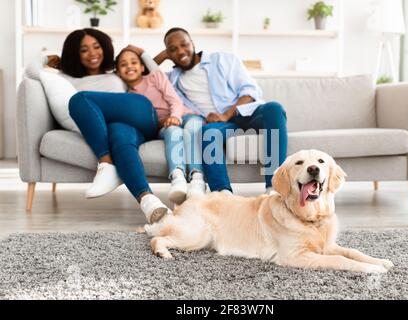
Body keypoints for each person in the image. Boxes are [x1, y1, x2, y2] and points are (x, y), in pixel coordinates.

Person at [25, 28, 170, 224]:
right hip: (120, 129)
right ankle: (149, 202)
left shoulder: (117, 73)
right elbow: (32, 73)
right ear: (74, 54)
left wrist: (144, 53)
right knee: (119, 136)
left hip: (141, 113)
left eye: (96, 47)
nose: (93, 53)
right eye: (84, 50)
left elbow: (155, 74)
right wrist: (46, 57)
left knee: (79, 100)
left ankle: (106, 162)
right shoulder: (65, 78)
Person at [147, 27, 288, 195]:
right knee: (206, 132)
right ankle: (222, 194)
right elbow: (144, 74)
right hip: (219, 125)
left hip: (245, 114)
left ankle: (274, 188)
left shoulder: (223, 59)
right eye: (173, 49)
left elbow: (250, 90)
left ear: (193, 43)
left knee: (274, 108)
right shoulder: (172, 78)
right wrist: (164, 55)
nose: (180, 51)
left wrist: (226, 114)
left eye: (184, 45)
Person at [115, 47, 207, 204]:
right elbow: (144, 122)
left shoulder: (155, 77)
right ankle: (178, 178)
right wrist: (165, 123)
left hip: (185, 114)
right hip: (164, 124)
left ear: (142, 67)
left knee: (192, 129)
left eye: (134, 62)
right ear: (117, 72)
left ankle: (197, 179)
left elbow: (174, 100)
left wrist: (175, 116)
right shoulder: (127, 97)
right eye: (123, 64)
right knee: (173, 132)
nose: (129, 66)